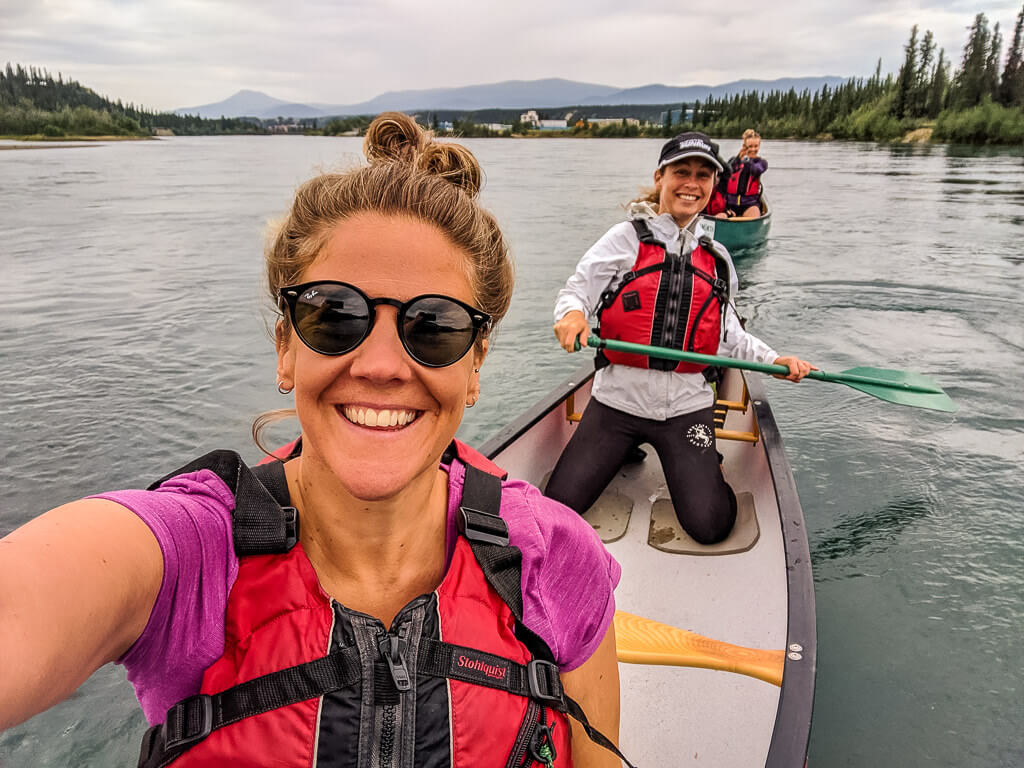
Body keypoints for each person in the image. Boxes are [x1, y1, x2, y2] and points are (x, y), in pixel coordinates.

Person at [0, 113, 626, 767]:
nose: (382, 365)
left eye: (434, 326)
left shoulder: (556, 560)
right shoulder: (192, 557)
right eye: (334, 314)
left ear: (473, 366)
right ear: (285, 350)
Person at [547, 131, 814, 545]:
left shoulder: (719, 260)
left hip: (686, 408)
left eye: (703, 176)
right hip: (618, 402)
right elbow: (576, 292)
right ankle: (623, 449)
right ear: (660, 177)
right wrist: (572, 316)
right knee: (558, 505)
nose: (691, 183)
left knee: (710, 526)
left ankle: (706, 461)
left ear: (712, 186)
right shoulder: (624, 239)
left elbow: (731, 336)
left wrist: (775, 360)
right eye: (682, 172)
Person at [720, 128, 766, 219]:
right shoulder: (735, 161)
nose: (753, 149)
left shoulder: (761, 163)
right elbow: (726, 171)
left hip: (750, 204)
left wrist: (747, 160)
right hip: (730, 203)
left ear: (759, 146)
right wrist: (738, 158)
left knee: (754, 216)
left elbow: (756, 170)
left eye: (756, 146)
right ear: (744, 146)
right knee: (720, 216)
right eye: (750, 146)